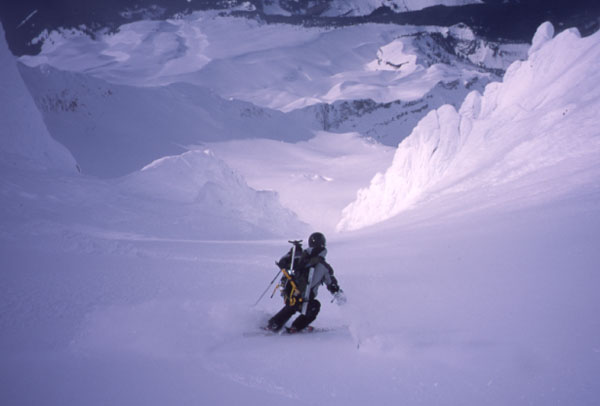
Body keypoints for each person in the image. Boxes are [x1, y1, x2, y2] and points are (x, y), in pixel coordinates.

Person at [266, 232, 346, 333]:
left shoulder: (300, 256)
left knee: (292, 305)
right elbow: (332, 284)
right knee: (314, 306)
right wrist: (340, 296)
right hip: (305, 299)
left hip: (289, 294)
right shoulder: (323, 266)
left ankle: (274, 324)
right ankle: (295, 327)